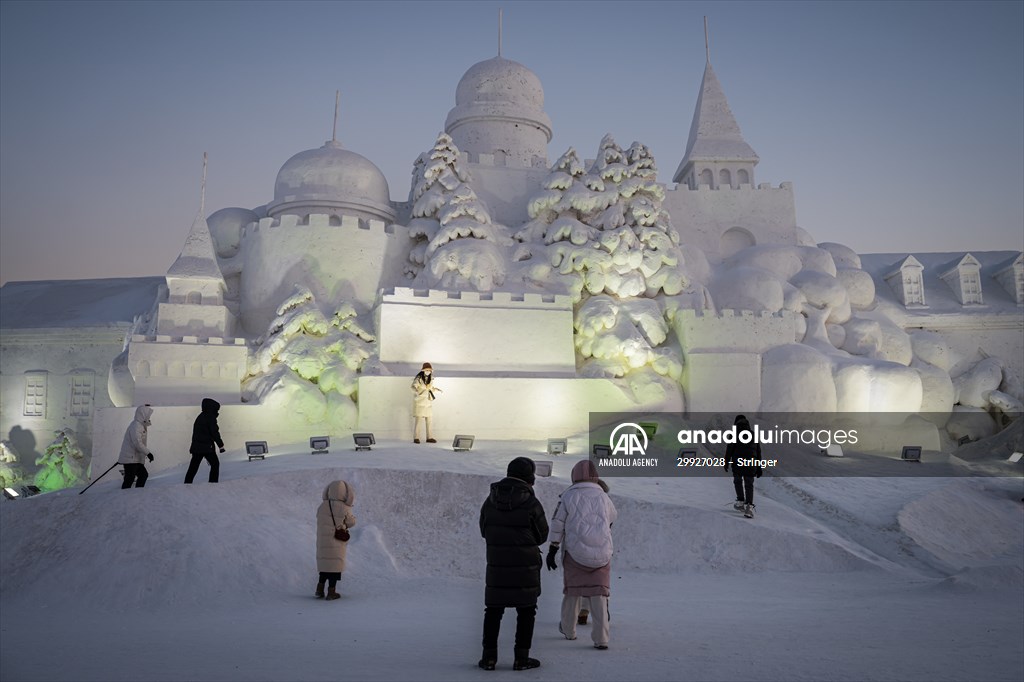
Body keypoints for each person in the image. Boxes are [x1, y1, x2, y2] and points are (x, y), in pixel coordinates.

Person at [478, 457, 548, 671]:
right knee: (526, 611)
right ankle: (521, 658)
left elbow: (484, 530)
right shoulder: (531, 503)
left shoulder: (490, 501)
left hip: (497, 566)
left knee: (493, 611)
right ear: (530, 477)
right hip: (525, 568)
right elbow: (542, 535)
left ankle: (489, 658)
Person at [547, 459, 617, 650]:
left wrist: (553, 548)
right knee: (599, 593)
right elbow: (612, 517)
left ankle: (569, 631)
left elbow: (557, 523)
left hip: (575, 553)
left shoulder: (568, 496)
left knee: (572, 592)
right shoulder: (604, 497)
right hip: (602, 554)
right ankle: (601, 639)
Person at [315, 479, 357, 601]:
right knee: (334, 567)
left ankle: (319, 589)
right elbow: (351, 523)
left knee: (325, 565)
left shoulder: (322, 506)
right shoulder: (344, 507)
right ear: (344, 493)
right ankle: (331, 592)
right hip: (336, 542)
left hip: (322, 542)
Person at [724, 414, 763, 518]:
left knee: (738, 480)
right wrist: (759, 468)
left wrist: (726, 462)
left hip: (738, 462)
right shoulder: (753, 434)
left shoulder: (734, 434)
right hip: (751, 464)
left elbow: (729, 450)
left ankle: (740, 501)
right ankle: (749, 507)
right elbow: (758, 452)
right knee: (749, 484)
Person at [184, 398, 225, 484]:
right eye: (217, 409)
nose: (217, 411)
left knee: (193, 467)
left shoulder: (201, 416)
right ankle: (213, 484)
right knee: (215, 464)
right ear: (213, 408)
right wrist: (221, 445)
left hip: (197, 446)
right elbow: (214, 432)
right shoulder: (210, 417)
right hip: (206, 447)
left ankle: (187, 483)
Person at [118, 405, 154, 489]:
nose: (149, 417)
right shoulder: (136, 426)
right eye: (148, 415)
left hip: (134, 459)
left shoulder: (140, 426)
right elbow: (137, 443)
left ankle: (136, 494)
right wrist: (148, 453)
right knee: (130, 479)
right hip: (130, 459)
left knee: (143, 475)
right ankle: (123, 497)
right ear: (142, 414)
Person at [410, 362, 442, 444]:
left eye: (429, 370)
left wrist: (436, 389)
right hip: (420, 402)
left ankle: (429, 437)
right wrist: (416, 391)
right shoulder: (419, 378)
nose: (428, 371)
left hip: (428, 402)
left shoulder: (430, 379)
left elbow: (430, 389)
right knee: (418, 420)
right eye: (426, 370)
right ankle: (416, 437)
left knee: (429, 420)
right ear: (423, 370)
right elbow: (413, 386)